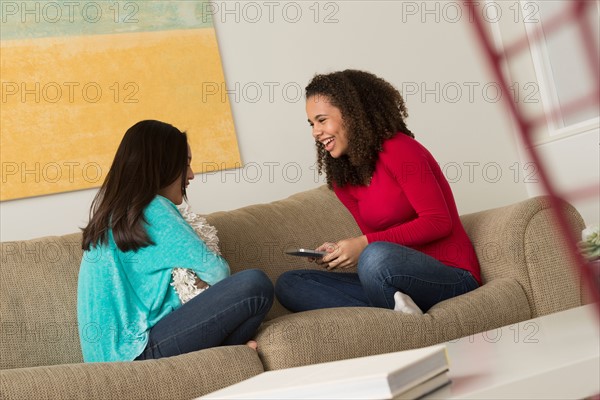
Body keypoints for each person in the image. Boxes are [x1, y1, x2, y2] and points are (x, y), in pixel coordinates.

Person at [275, 70, 481, 315]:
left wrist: (364, 245)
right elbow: (377, 237)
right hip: (392, 275)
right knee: (291, 283)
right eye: (311, 124)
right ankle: (397, 309)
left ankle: (392, 314)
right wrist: (341, 251)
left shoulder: (399, 149)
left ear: (351, 114)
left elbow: (439, 222)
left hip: (450, 275)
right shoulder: (343, 180)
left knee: (375, 257)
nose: (315, 132)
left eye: (322, 120)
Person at [78, 120, 274, 362]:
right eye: (186, 164)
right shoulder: (152, 209)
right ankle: (228, 352)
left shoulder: (114, 215)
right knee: (255, 285)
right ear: (162, 166)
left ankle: (225, 355)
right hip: (137, 352)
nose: (190, 175)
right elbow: (218, 272)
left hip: (116, 357)